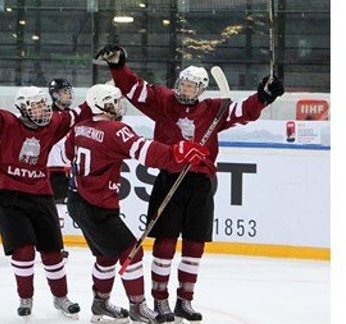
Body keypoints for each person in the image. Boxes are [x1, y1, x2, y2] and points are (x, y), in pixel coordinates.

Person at [94, 45, 285, 323]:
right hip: (170, 178)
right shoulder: (163, 101)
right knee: (165, 243)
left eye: (192, 85)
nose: (186, 89)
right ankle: (160, 300)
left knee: (194, 245)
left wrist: (263, 97)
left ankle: (185, 300)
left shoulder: (214, 109)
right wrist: (118, 66)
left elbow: (244, 111)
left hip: (200, 183)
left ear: (201, 89)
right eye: (183, 83)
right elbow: (136, 89)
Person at [0, 72, 92, 320]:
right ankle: (26, 298)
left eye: (45, 105)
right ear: (23, 108)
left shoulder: (54, 124)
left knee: (53, 252)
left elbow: (80, 113)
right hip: (11, 197)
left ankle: (61, 298)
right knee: (23, 251)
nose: (44, 110)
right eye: (37, 106)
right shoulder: (7, 122)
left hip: (41, 196)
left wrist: (107, 89)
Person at [65, 83, 210, 324]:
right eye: (114, 101)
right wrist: (178, 152)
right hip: (96, 205)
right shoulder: (115, 130)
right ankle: (138, 307)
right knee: (131, 251)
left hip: (78, 201)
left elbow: (69, 154)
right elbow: (146, 151)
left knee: (106, 256)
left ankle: (99, 304)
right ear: (103, 104)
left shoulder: (79, 128)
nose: (119, 106)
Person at [47, 78, 74, 261]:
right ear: (55, 94)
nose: (69, 95)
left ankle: (54, 246)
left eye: (69, 91)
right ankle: (53, 247)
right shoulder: (47, 116)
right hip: (51, 172)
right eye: (65, 91)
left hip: (65, 172)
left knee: (59, 212)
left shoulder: (72, 116)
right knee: (54, 213)